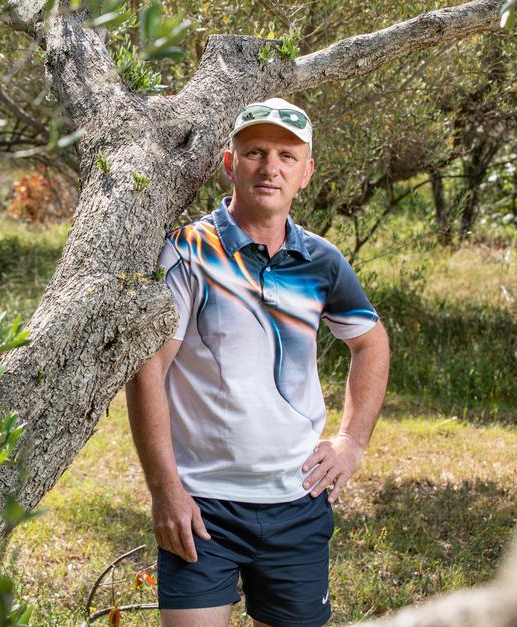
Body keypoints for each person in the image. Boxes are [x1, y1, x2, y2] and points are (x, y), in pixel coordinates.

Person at [125, 97, 390, 627]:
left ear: (306, 174)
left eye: (287, 157)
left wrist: (351, 441)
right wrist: (165, 491)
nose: (271, 168)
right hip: (203, 506)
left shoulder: (321, 260)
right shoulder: (187, 252)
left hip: (297, 501)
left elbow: (371, 343)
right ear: (230, 163)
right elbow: (147, 370)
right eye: (255, 153)